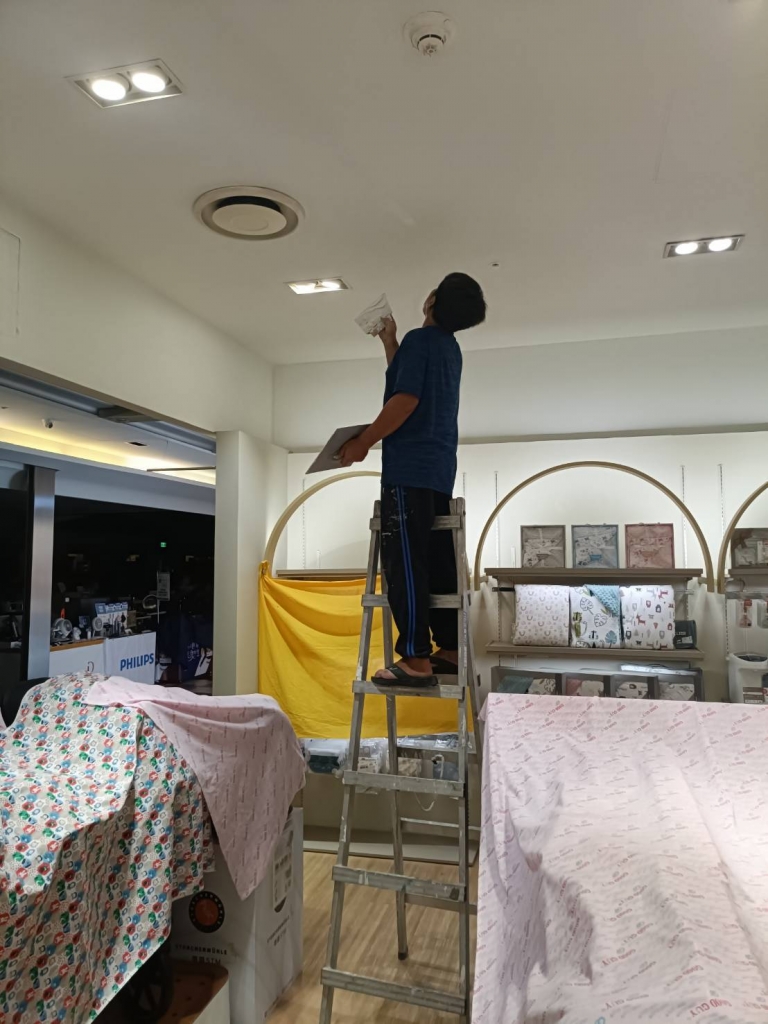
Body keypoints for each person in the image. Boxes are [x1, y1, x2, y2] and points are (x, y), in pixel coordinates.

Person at [338, 273, 486, 683]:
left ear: (433, 300)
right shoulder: (448, 348)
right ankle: (449, 649)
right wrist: (391, 343)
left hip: (408, 469)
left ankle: (416, 658)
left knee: (405, 563)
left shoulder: (422, 342)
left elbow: (405, 400)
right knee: (437, 560)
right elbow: (408, 385)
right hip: (438, 470)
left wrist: (363, 442)